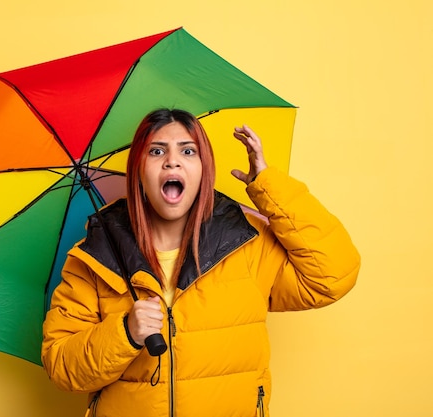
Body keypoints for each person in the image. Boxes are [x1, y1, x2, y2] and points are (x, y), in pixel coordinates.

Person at [42, 108, 360, 417]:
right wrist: (125, 332)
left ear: (204, 168)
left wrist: (268, 185)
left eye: (188, 151)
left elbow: (333, 275)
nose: (172, 161)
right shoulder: (93, 257)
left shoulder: (247, 243)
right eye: (156, 151)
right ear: (138, 169)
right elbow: (62, 369)